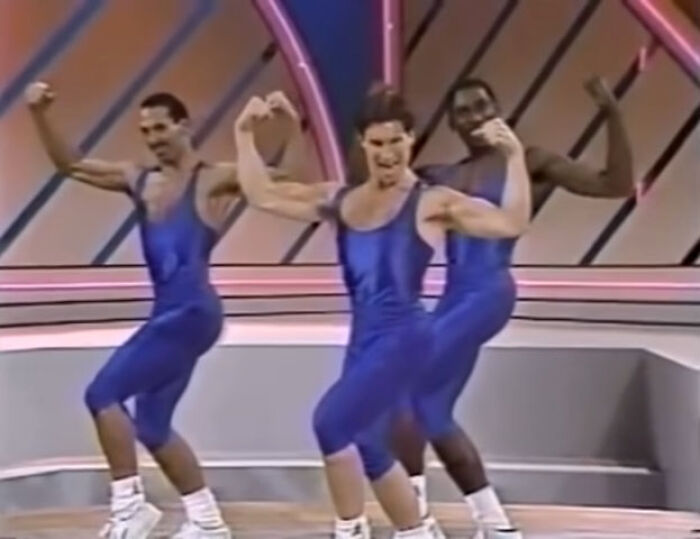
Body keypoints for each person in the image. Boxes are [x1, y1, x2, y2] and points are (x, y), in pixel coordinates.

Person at [232, 86, 531, 538]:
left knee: (329, 423)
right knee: (370, 444)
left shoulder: (432, 201)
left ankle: (350, 530)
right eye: (376, 143)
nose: (387, 153)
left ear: (410, 141)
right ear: (363, 145)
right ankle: (417, 530)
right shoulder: (342, 200)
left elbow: (511, 222)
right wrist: (243, 133)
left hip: (406, 337)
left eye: (396, 141)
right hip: (363, 340)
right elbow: (262, 194)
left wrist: (515, 158)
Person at [24, 81, 303, 539]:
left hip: (193, 312)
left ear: (184, 126)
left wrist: (291, 124)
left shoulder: (214, 178)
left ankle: (130, 506)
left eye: (160, 128)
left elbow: (285, 178)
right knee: (152, 426)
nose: (153, 138)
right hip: (169, 316)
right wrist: (39, 114)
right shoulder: (141, 180)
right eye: (145, 131)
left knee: (102, 395)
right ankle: (208, 522)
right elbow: (70, 164)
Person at [391, 76, 634, 538]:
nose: (477, 115)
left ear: (499, 107)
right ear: (452, 123)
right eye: (464, 110)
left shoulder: (529, 161)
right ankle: (495, 525)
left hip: (488, 293)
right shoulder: (440, 176)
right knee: (430, 410)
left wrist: (612, 113)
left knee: (400, 392)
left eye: (484, 105)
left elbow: (615, 185)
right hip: (450, 301)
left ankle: (415, 524)